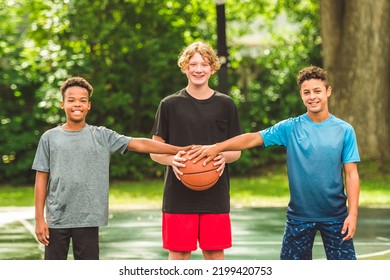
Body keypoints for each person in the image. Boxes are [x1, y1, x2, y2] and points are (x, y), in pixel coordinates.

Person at [192, 66, 361, 260]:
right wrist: (217, 147)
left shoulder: (344, 130)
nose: (312, 97)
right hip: (299, 217)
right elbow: (253, 138)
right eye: (306, 92)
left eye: (317, 91)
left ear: (328, 91)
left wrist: (353, 214)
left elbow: (351, 174)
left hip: (336, 217)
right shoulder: (290, 127)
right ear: (301, 95)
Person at [32, 76, 189, 260]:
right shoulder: (49, 138)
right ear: (62, 104)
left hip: (88, 219)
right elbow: (41, 178)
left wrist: (178, 149)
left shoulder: (102, 136)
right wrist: (39, 219)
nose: (77, 104)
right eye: (71, 100)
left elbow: (140, 144)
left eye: (83, 101)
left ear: (89, 106)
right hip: (56, 220)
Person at [149, 42, 242, 260]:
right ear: (184, 67)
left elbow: (236, 150)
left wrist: (222, 156)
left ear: (212, 67)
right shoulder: (169, 104)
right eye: (193, 64)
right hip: (178, 194)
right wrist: (173, 161)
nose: (198, 69)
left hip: (215, 193)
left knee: (214, 253)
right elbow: (155, 150)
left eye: (204, 64)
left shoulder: (225, 104)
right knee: (179, 254)